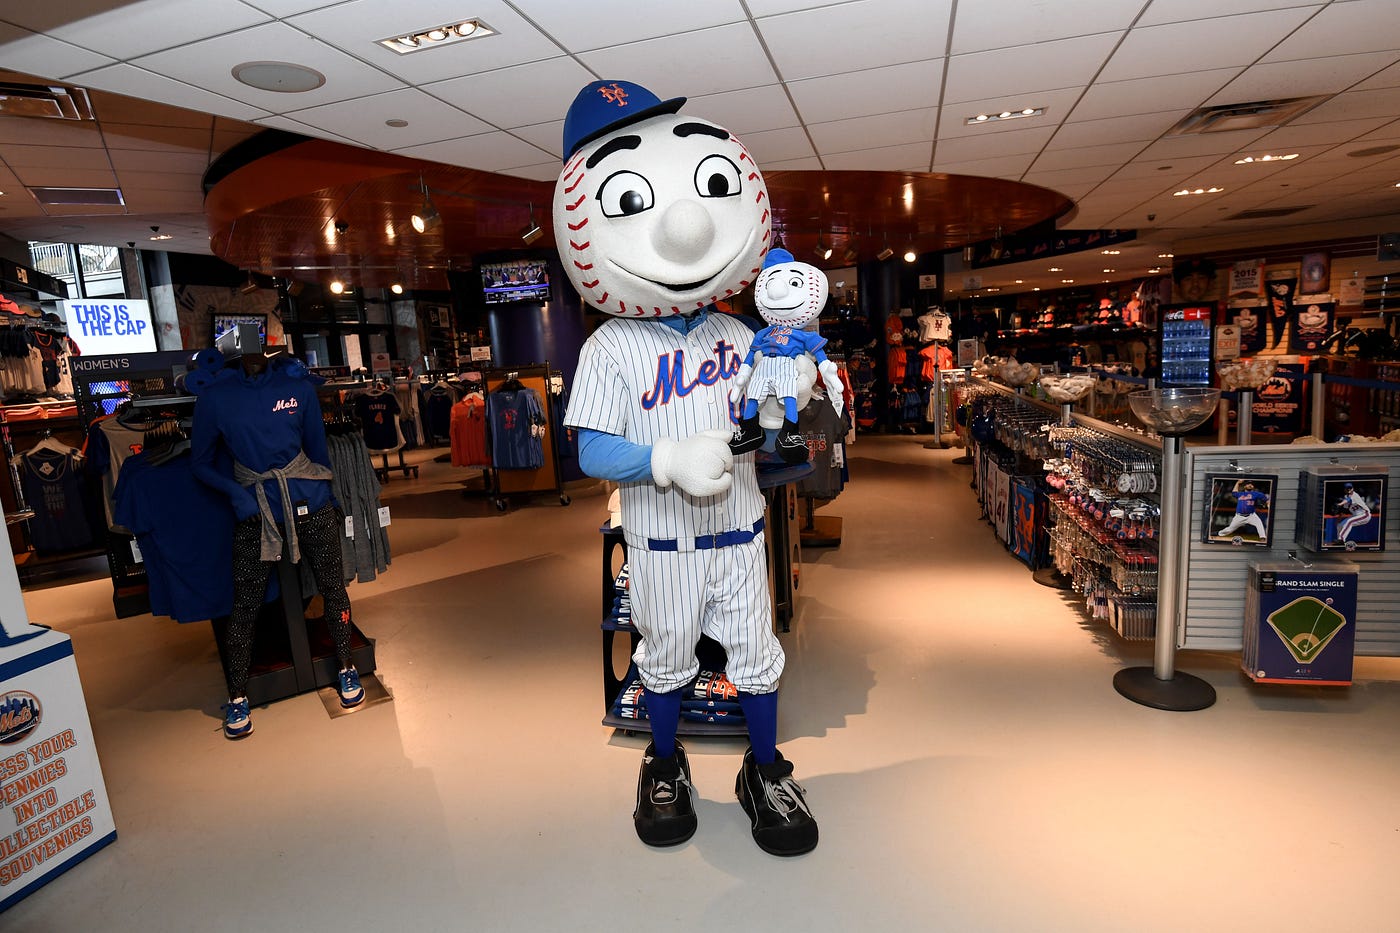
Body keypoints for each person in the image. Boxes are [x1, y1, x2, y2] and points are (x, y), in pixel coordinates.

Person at [556, 79, 818, 856]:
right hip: (662, 544)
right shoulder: (609, 347)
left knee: (759, 659)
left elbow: (767, 441)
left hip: (739, 536)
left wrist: (782, 418)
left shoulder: (741, 334)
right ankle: (663, 761)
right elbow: (591, 450)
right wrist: (665, 456)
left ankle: (763, 770)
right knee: (664, 662)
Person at [191, 346, 366, 739]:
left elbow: (317, 450)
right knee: (246, 602)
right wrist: (236, 495)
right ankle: (237, 693)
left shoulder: (298, 388)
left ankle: (346, 666)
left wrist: (331, 496)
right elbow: (200, 462)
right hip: (256, 510)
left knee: (333, 588)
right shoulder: (216, 397)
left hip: (310, 500)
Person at [729, 249, 846, 462]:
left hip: (785, 366)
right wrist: (742, 376)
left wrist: (828, 371)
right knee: (754, 396)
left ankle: (790, 433)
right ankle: (750, 430)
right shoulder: (763, 332)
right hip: (764, 367)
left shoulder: (800, 335)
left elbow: (819, 353)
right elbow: (751, 353)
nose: (776, 292)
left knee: (789, 396)